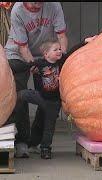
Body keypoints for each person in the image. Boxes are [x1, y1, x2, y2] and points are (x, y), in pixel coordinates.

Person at [15, 35, 97, 159]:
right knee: (23, 94)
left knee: (49, 126)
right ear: (46, 54)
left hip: (53, 102)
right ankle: (12, 100)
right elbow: (24, 67)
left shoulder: (61, 61)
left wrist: (85, 41)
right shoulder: (39, 63)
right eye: (55, 49)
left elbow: (72, 51)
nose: (59, 51)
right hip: (41, 96)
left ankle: (45, 148)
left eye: (59, 49)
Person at [4, 2, 68, 158]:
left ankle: (37, 141)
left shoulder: (54, 6)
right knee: (20, 93)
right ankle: (22, 141)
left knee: (48, 94)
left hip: (46, 54)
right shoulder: (18, 10)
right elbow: (23, 48)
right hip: (18, 54)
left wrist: (61, 61)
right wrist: (37, 66)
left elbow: (61, 36)